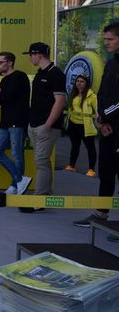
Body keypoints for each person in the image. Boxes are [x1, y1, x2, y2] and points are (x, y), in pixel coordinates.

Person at [74, 23, 119, 227]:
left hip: (115, 128)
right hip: (107, 130)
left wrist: (104, 118)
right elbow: (102, 95)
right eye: (105, 39)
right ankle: (101, 215)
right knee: (106, 173)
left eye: (110, 39)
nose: (106, 42)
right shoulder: (111, 64)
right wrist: (101, 120)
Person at [20, 42, 66, 213]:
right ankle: (47, 195)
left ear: (38, 54)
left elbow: (60, 102)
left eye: (31, 55)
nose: (30, 58)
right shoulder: (40, 74)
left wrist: (48, 124)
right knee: (43, 162)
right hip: (35, 124)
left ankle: (38, 200)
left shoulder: (56, 74)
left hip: (46, 127)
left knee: (41, 162)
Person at [0, 52, 32, 195]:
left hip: (17, 121)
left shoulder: (20, 76)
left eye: (0, 62)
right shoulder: (4, 80)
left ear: (10, 63)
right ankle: (19, 179)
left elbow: (7, 97)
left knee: (17, 154)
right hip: (5, 122)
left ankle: (15, 185)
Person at [64, 74, 98, 177]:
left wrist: (99, 121)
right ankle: (71, 165)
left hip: (85, 126)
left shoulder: (92, 95)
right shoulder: (73, 93)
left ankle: (91, 169)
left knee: (90, 147)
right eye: (77, 81)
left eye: (82, 81)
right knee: (75, 146)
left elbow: (97, 110)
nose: (79, 83)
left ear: (86, 83)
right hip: (73, 124)